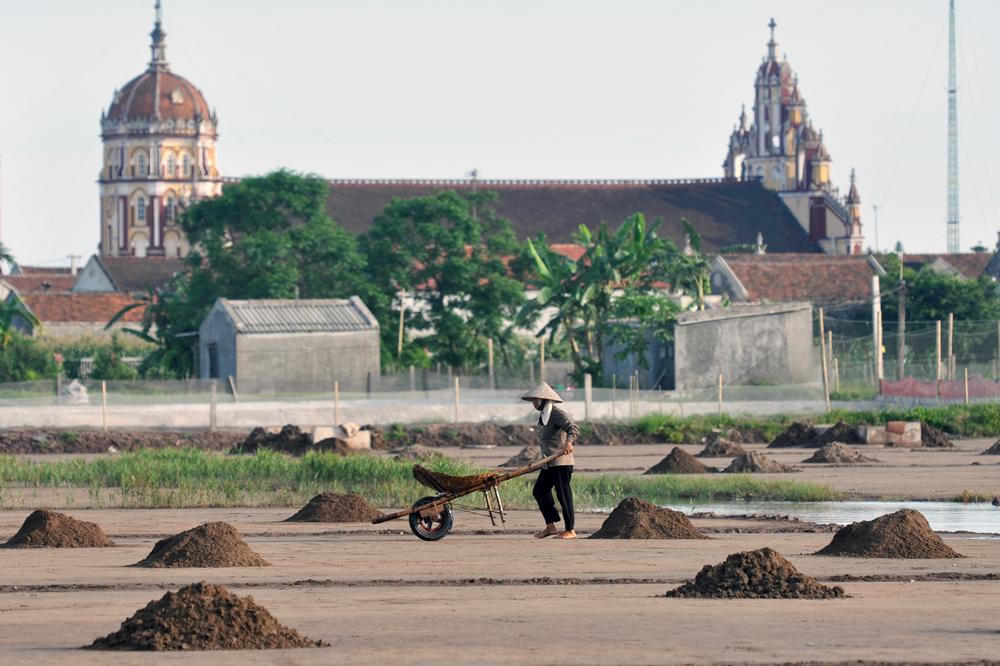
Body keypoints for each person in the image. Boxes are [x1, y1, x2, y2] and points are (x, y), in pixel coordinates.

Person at [521, 382, 580, 539]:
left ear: (543, 400)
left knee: (563, 495)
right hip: (549, 463)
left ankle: (570, 530)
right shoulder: (544, 415)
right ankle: (551, 526)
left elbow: (573, 427)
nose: (534, 403)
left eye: (536, 400)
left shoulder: (557, 413)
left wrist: (568, 442)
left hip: (561, 462)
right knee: (539, 491)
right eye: (533, 400)